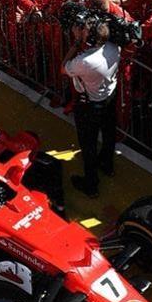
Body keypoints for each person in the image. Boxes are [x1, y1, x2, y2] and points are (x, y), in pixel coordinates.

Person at [64, 15, 121, 197]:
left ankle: (91, 185)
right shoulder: (114, 48)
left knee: (88, 145)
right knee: (109, 134)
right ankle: (107, 165)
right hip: (109, 98)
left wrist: (75, 43)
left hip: (90, 106)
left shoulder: (85, 62)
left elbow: (63, 68)